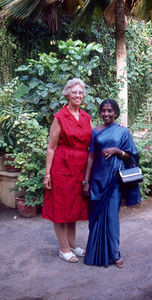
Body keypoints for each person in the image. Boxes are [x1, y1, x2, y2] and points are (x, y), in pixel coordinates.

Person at [83, 99, 141, 268]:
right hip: (96, 181)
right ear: (100, 112)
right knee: (95, 218)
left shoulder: (123, 133)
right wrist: (86, 181)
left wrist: (117, 151)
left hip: (114, 182)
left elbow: (133, 157)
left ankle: (115, 253)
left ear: (116, 113)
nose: (106, 114)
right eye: (103, 110)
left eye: (110, 111)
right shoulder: (95, 132)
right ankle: (95, 251)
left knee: (111, 218)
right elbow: (91, 157)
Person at [42, 78, 92, 263]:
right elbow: (51, 147)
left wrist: (114, 129)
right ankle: (63, 249)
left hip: (80, 169)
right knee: (61, 208)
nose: (77, 95)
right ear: (67, 94)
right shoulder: (60, 117)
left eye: (80, 92)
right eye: (74, 92)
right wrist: (47, 174)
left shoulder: (86, 117)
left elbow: (95, 137)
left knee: (74, 207)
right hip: (62, 167)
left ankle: (73, 244)